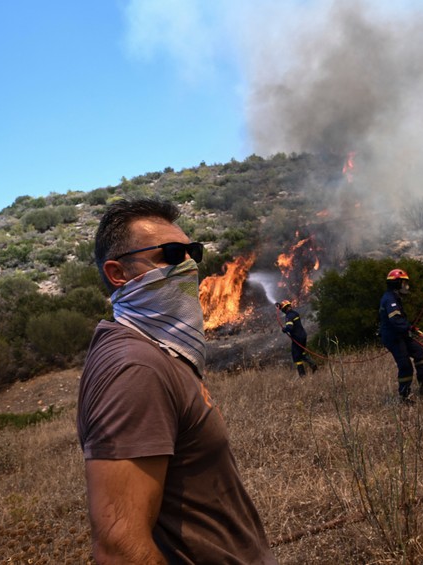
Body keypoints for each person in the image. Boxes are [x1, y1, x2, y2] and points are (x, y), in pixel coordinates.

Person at [77, 198, 277, 564]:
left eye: (191, 252)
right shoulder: (134, 369)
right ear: (117, 272)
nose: (186, 265)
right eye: (169, 254)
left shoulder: (157, 352)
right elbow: (120, 549)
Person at [378, 269, 423, 404]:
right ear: (397, 283)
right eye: (404, 283)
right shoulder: (389, 299)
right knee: (405, 366)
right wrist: (409, 328)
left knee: (420, 355)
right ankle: (404, 396)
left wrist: (409, 329)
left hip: (402, 334)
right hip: (393, 338)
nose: (406, 286)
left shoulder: (394, 297)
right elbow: (395, 320)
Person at [277, 300, 318, 377]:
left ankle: (302, 375)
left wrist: (284, 329)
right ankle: (313, 365)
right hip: (303, 336)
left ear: (285, 309)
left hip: (297, 338)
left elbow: (289, 328)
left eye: (283, 309)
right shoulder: (295, 313)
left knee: (296, 356)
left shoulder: (288, 316)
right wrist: (279, 306)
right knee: (301, 353)